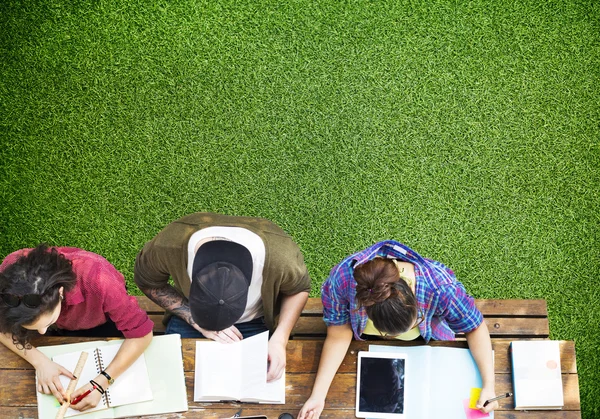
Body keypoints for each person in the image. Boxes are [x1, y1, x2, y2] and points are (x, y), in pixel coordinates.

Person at [298, 240, 498, 419]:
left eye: (415, 320)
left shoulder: (440, 286)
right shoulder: (342, 280)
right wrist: (318, 396)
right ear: (366, 309)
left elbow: (475, 327)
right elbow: (338, 333)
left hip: (430, 342)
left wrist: (489, 385)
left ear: (413, 295)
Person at [133, 212, 311, 382]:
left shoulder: (280, 260)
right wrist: (194, 319)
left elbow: (298, 289)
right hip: (190, 317)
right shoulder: (170, 245)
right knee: (168, 379)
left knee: (260, 383)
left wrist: (280, 339)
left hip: (254, 321)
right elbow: (147, 280)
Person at [0, 244, 153, 412]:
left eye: (48, 323)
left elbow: (141, 334)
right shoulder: (9, 274)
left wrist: (102, 382)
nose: (42, 333)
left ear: (60, 292)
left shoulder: (99, 280)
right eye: (34, 327)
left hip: (97, 321)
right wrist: (39, 361)